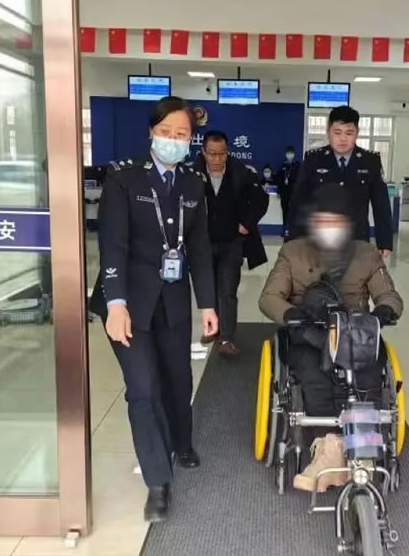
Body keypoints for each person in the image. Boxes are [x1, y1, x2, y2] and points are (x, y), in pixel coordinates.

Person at [89, 96, 218, 523]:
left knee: (178, 379)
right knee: (143, 389)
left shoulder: (193, 182)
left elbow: (200, 248)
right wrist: (116, 304)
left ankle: (182, 442)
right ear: (151, 133)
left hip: (173, 300)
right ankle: (158, 482)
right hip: (127, 302)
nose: (173, 140)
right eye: (166, 132)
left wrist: (208, 304)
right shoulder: (124, 177)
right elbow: (113, 245)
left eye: (182, 135)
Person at [258, 183, 403, 492]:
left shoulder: (366, 254)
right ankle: (328, 451)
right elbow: (269, 297)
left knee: (368, 371)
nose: (329, 226)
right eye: (323, 220)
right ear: (312, 221)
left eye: (336, 220)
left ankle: (363, 451)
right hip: (309, 330)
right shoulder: (293, 252)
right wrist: (290, 314)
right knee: (313, 373)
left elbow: (389, 295)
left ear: (348, 222)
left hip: (354, 332)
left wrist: (384, 311)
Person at [193, 130, 269, 359]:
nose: (217, 159)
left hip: (231, 243)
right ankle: (213, 329)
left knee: (227, 289)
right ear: (203, 152)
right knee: (208, 290)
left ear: (227, 152)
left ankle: (226, 338)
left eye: (222, 154)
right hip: (203, 244)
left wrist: (246, 224)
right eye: (212, 154)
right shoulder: (192, 173)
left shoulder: (241, 172)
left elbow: (261, 199)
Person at [288, 107, 393, 257]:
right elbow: (299, 202)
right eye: (337, 133)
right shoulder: (314, 160)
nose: (343, 139)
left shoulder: (370, 161)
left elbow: (381, 204)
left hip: (357, 239)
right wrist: (293, 239)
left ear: (357, 132)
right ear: (328, 132)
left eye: (349, 133)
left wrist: (385, 241)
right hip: (319, 241)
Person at [274, 145, 300, 234]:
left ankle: (294, 228)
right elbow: (278, 179)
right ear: (285, 154)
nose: (289, 155)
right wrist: (279, 191)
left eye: (291, 153)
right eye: (288, 153)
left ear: (294, 154)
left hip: (294, 191)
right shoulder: (282, 166)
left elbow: (300, 178)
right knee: (285, 209)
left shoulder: (297, 165)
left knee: (294, 209)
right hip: (284, 192)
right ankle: (285, 228)